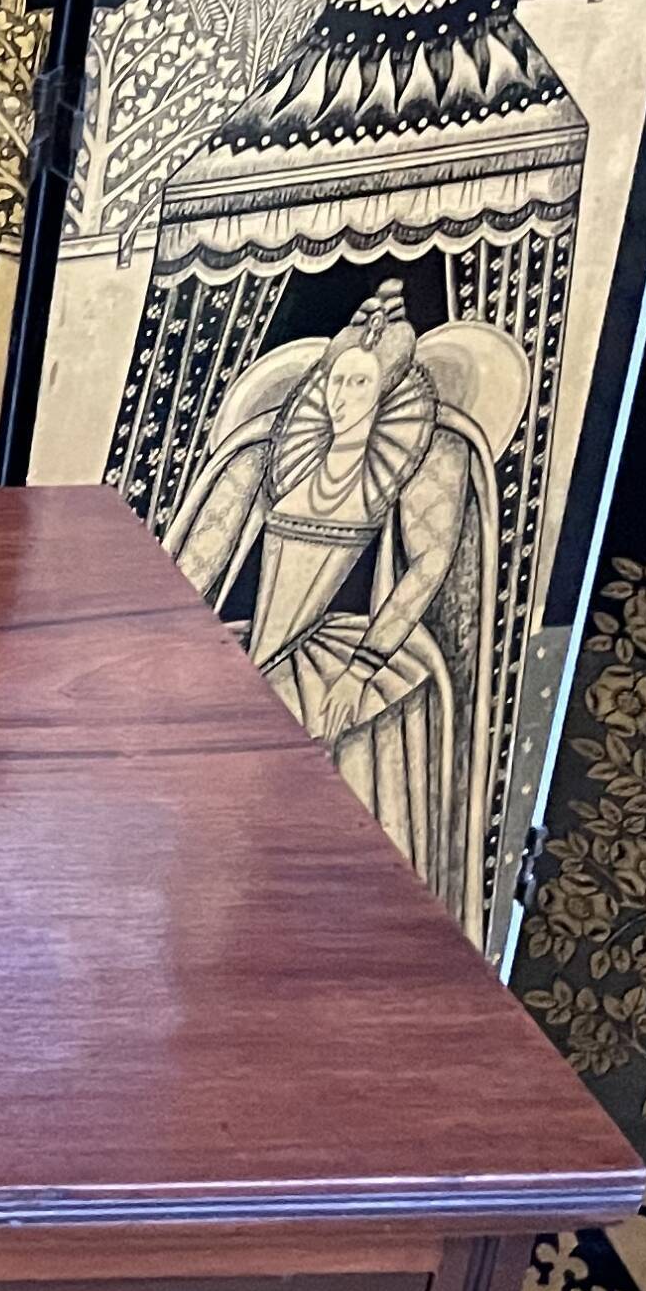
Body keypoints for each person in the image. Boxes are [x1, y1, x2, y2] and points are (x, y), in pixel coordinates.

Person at [169, 286, 490, 901]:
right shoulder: (274, 453)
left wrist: (363, 669)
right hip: (259, 650)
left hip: (345, 657)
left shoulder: (424, 457)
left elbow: (428, 564)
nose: (342, 398)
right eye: (336, 382)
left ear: (389, 392)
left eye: (360, 385)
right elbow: (199, 558)